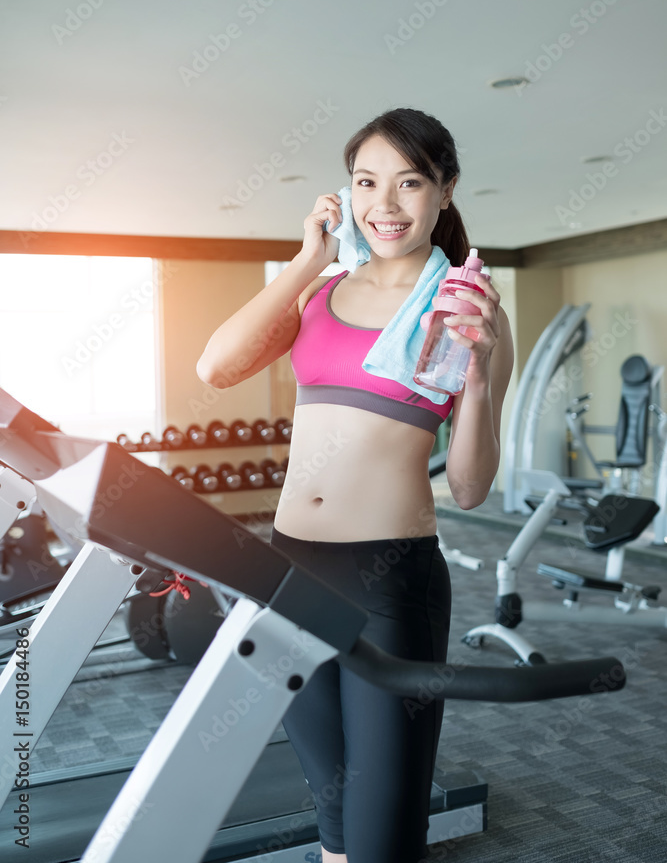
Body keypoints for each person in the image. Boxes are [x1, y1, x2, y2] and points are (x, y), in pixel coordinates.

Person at [197, 107, 514, 863]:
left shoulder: (468, 313)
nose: (385, 204)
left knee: (381, 831)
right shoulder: (320, 291)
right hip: (288, 569)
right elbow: (216, 368)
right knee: (334, 820)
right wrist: (307, 259)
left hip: (389, 582)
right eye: (366, 183)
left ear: (444, 190)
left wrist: (474, 381)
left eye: (408, 183)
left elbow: (468, 487)